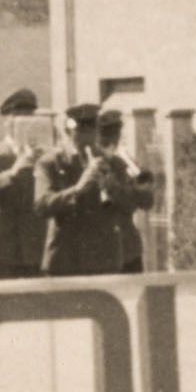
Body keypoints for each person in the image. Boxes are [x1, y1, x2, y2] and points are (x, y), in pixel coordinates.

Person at [33, 103, 133, 277]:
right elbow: (41, 205)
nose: (87, 138)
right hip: (64, 259)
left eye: (92, 131)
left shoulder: (114, 163)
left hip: (104, 258)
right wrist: (78, 188)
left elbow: (130, 206)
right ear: (68, 131)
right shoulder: (50, 163)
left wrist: (112, 187)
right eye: (80, 131)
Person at [0, 89, 49, 280]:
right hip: (4, 248)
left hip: (36, 247)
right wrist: (10, 174)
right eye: (18, 117)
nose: (24, 122)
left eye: (29, 117)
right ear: (7, 121)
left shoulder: (45, 156)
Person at [97, 108, 156, 275]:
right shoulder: (94, 165)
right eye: (105, 137)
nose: (111, 142)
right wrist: (130, 192)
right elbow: (116, 199)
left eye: (115, 135)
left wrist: (135, 190)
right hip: (103, 247)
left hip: (128, 247)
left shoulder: (124, 163)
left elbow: (147, 200)